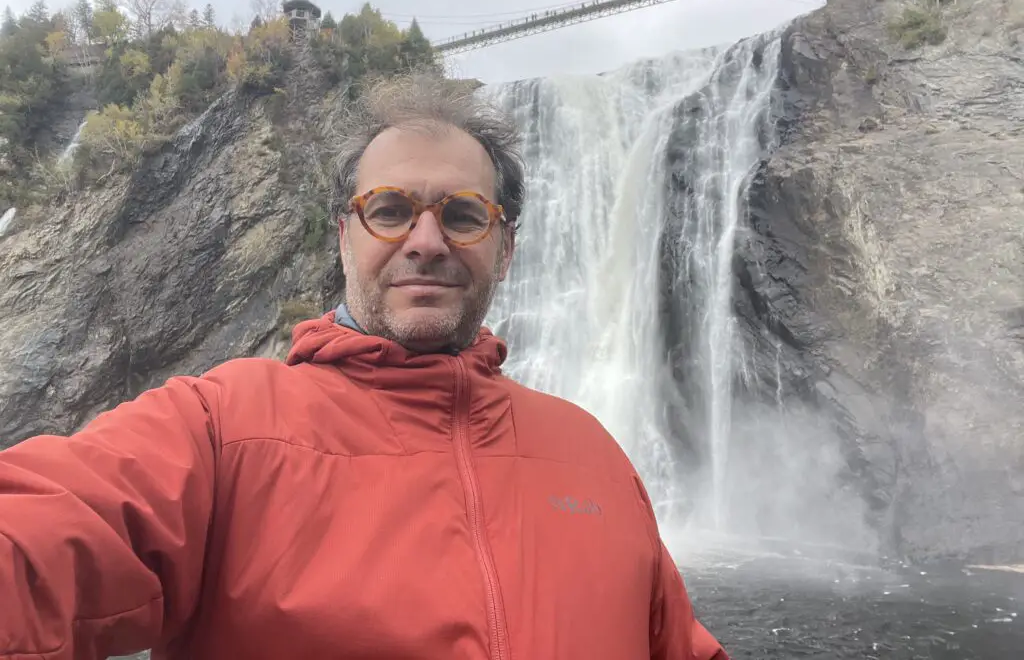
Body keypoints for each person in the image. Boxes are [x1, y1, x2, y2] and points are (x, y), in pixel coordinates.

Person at [0, 74, 728, 660]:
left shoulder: (595, 455)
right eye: (390, 209)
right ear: (344, 237)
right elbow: (40, 540)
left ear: (505, 250)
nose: (427, 240)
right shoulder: (220, 428)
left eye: (465, 215)